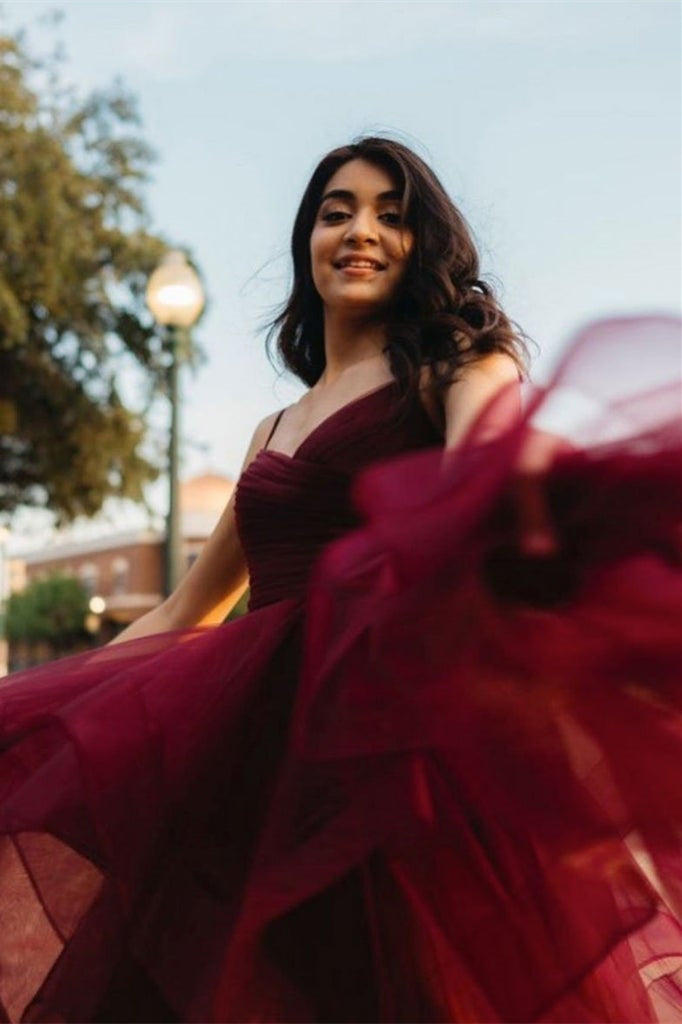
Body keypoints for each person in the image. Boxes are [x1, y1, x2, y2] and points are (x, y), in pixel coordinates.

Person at [0, 136, 679, 1024]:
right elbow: (185, 609)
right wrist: (40, 719)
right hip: (250, 771)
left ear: (422, 246)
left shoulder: (460, 369)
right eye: (337, 212)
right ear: (306, 241)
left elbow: (482, 496)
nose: (361, 231)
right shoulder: (272, 429)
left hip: (390, 751)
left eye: (392, 216)